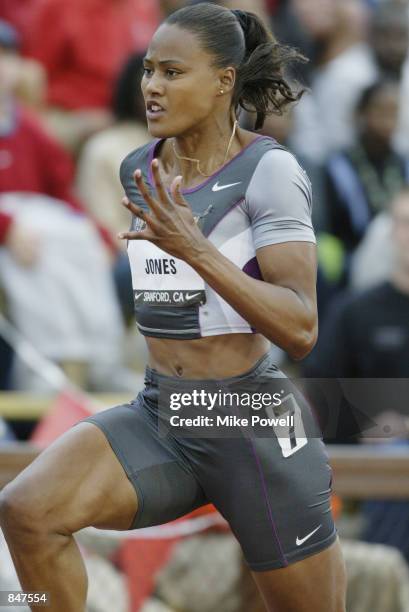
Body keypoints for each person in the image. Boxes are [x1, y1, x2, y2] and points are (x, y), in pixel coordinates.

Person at [0, 5, 346, 612]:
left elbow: (301, 327)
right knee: (26, 512)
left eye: (173, 72)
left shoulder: (269, 171)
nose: (152, 86)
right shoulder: (140, 167)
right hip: (163, 412)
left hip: (251, 422)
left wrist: (197, 249)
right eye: (150, 70)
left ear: (224, 81)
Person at [325, 79, 409, 255]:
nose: (387, 121)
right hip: (353, 255)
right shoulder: (339, 165)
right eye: (380, 111)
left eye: (393, 112)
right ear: (361, 114)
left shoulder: (402, 162)